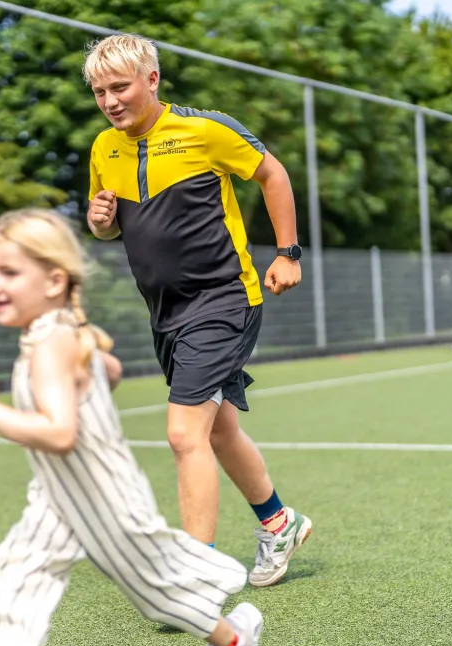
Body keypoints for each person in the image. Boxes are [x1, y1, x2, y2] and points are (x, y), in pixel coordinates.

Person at [0, 208, 264, 646]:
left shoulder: (52, 343)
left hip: (104, 497)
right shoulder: (57, 334)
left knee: (159, 594)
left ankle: (233, 640)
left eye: (9, 273)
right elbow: (109, 370)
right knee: (15, 573)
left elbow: (59, 433)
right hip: (57, 497)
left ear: (54, 281)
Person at [83, 33, 311, 586]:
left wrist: (288, 253)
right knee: (218, 430)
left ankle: (195, 576)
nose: (110, 101)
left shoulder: (205, 129)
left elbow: (273, 174)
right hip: (166, 312)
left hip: (225, 298)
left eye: (120, 87)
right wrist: (99, 221)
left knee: (185, 433)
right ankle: (278, 522)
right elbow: (109, 227)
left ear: (152, 80)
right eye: (99, 92)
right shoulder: (103, 148)